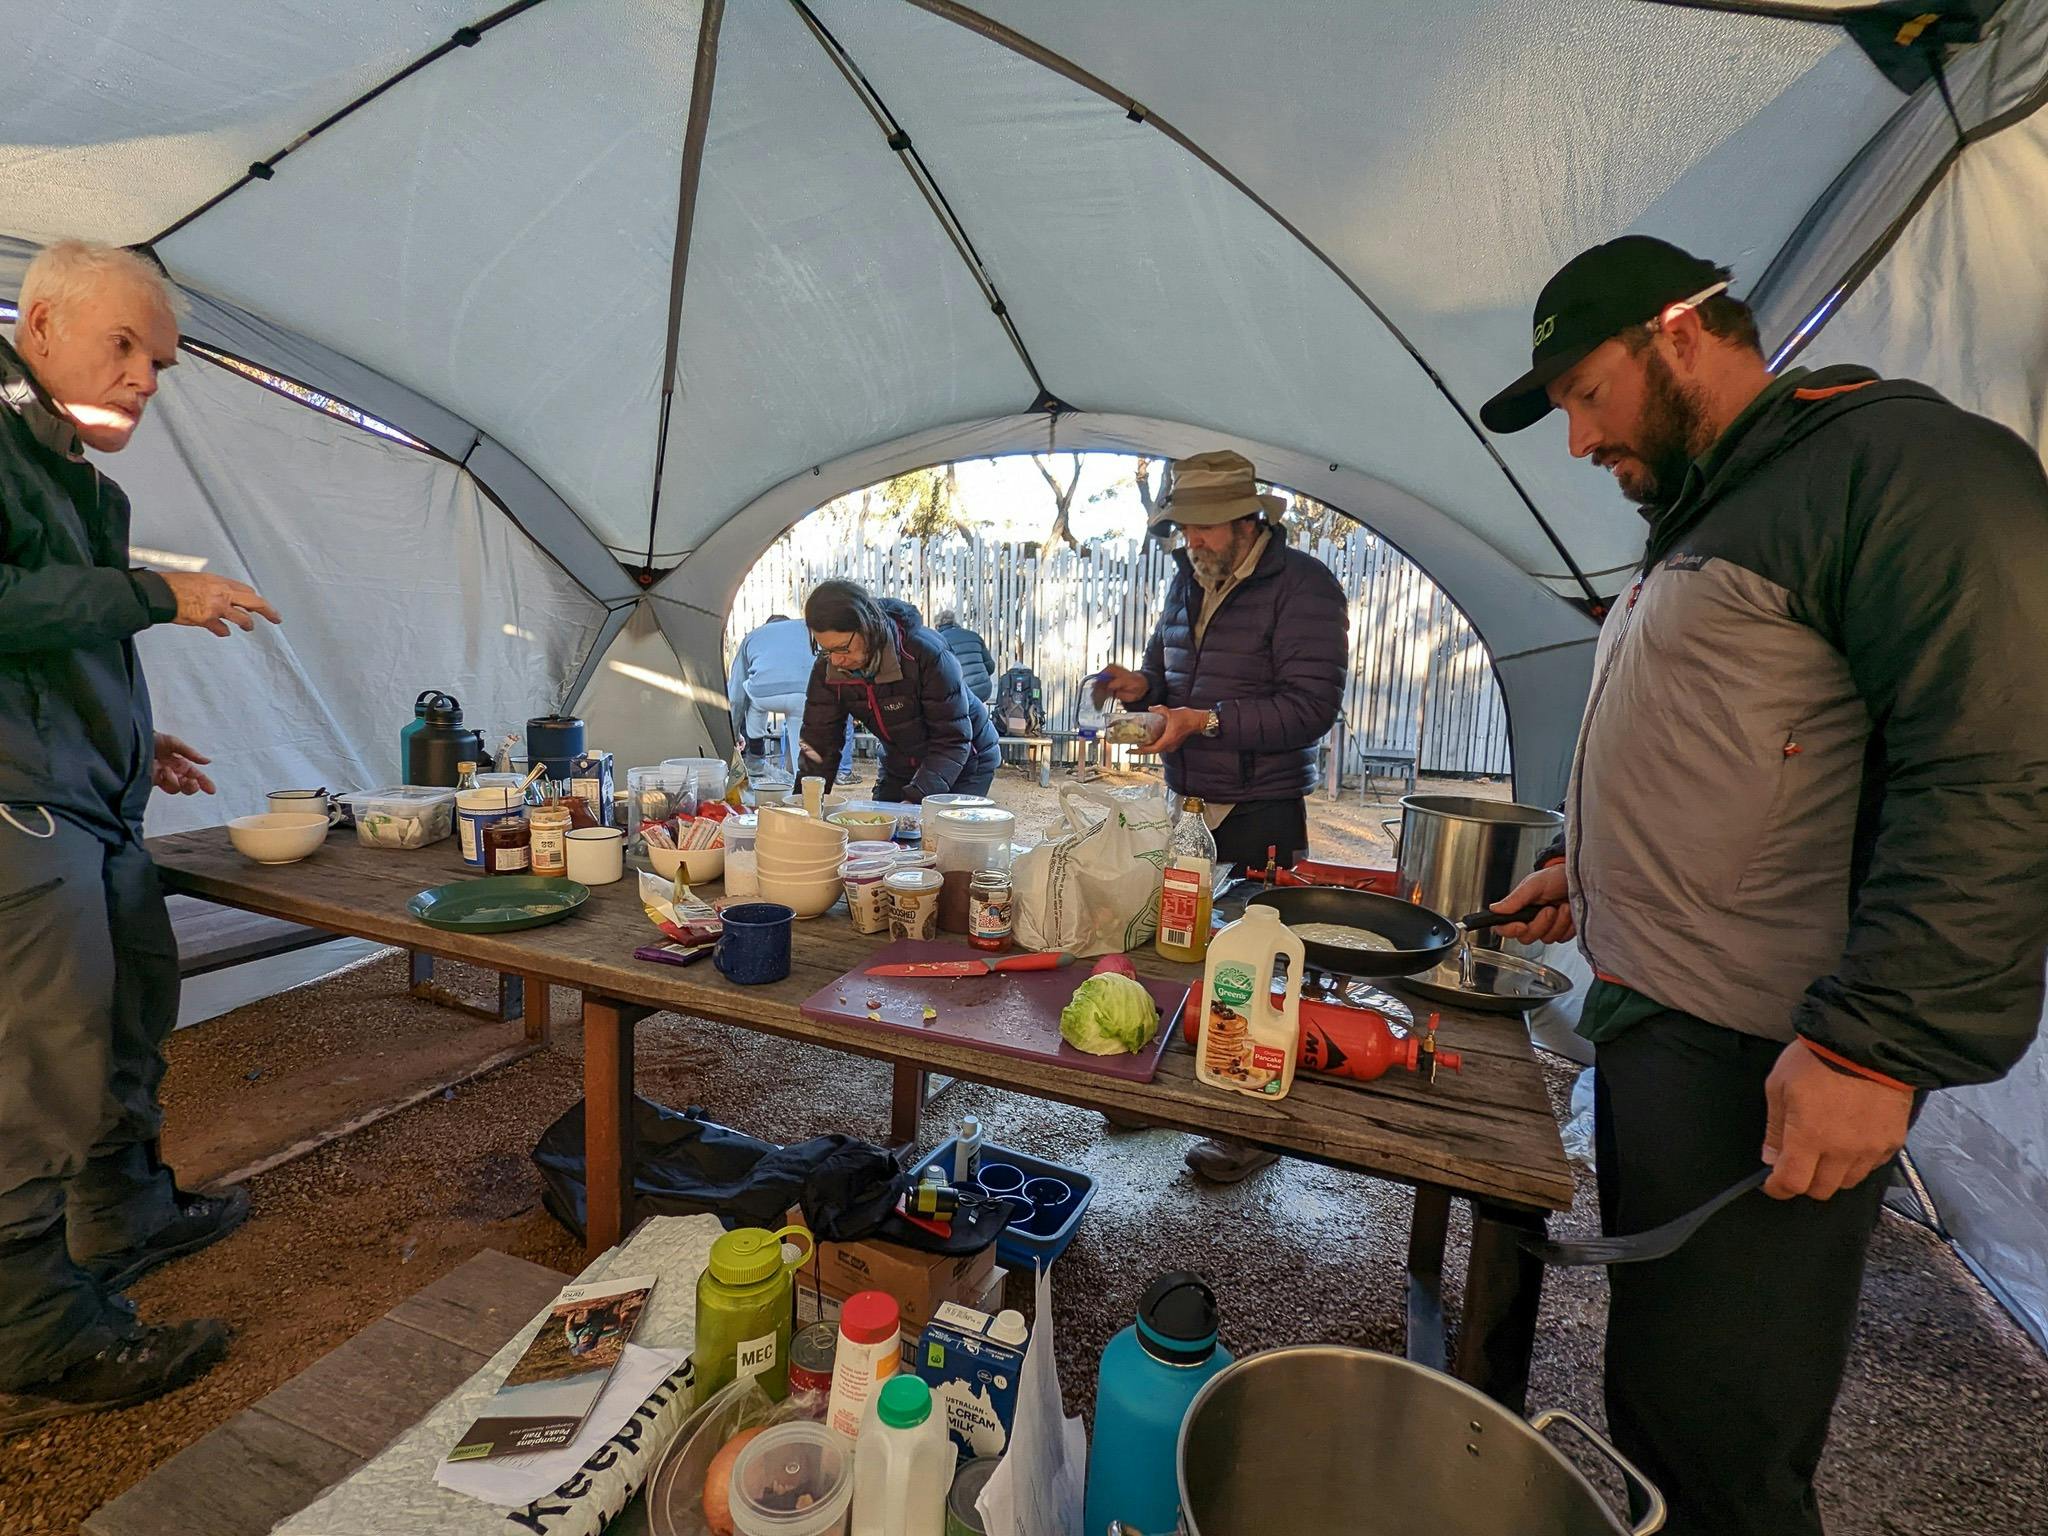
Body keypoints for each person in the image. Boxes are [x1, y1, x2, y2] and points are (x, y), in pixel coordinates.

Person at [1480, 234, 2048, 1536]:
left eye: (1584, 393)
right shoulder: (1721, 502)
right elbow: (1747, 749)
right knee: (1664, 1406)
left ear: (1679, 331)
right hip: (1667, 1030)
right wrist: (1596, 871)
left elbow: (1994, 763)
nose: (1576, 440)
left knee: (1725, 1448)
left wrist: (1877, 1045)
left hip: (1773, 1058)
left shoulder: (1896, 467)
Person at [0, 240, 284, 1430]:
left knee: (127, 1014)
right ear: (44, 319)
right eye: (124, 346)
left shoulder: (80, 480)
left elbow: (60, 641)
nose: (142, 380)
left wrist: (135, 738)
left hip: (91, 793)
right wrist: (162, 593)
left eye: (157, 364)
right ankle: (38, 1337)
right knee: (38, 1063)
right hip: (18, 806)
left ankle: (123, 1218)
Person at [1094, 448, 1349, 1183]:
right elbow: (1167, 679)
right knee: (1171, 948)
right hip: (1188, 801)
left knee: (1253, 975)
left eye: (1204, 529)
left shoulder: (1305, 588)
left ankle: (1248, 1123)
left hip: (1260, 805)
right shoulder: (1186, 581)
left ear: (1247, 521)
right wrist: (1138, 686)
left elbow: (1310, 709)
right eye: (1184, 528)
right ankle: (1157, 1090)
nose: (1192, 542)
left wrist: (1203, 720)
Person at [799, 580, 999, 803]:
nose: (836, 660)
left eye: (842, 648)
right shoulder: (828, 668)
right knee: (882, 832)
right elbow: (819, 741)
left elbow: (952, 740)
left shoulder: (924, 653)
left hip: (965, 758)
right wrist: (803, 804)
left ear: (868, 626)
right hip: (899, 760)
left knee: (934, 832)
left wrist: (914, 800)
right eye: (825, 650)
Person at [727, 611, 851, 786]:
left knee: (751, 695)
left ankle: (755, 756)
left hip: (764, 694)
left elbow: (736, 698)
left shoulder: (754, 636)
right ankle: (802, 786)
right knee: (800, 744)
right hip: (806, 692)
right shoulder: (805, 628)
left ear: (766, 626)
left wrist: (732, 735)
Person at [932, 610, 996, 703]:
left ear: (937, 626)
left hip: (958, 693)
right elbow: (990, 667)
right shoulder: (974, 635)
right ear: (954, 622)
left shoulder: (937, 641)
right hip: (982, 690)